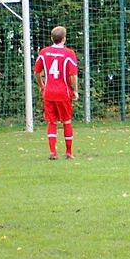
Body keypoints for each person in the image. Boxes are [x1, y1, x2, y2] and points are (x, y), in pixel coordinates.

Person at [34, 26, 79, 160]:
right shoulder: (69, 53)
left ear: (52, 38)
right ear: (64, 39)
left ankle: (53, 152)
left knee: (52, 122)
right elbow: (73, 75)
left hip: (48, 92)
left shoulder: (44, 52)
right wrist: (75, 90)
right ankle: (69, 152)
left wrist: (42, 85)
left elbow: (37, 72)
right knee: (67, 121)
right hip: (63, 92)